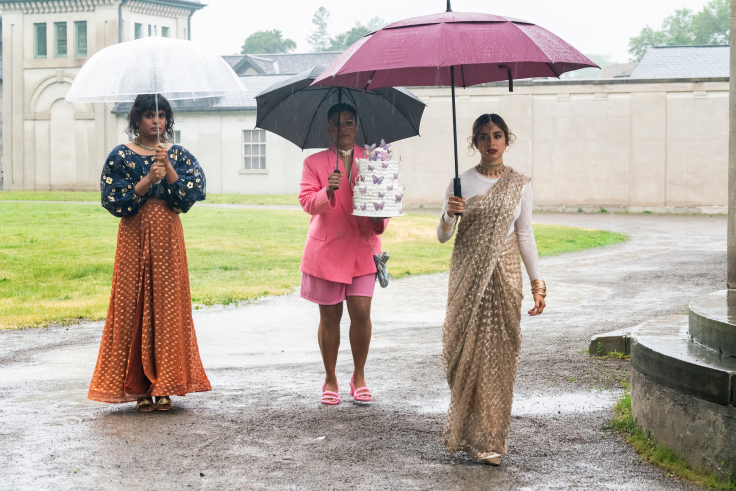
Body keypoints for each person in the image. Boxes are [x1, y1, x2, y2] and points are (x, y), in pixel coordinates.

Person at [88, 94, 211, 412]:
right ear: (137, 120)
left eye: (161, 116)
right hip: (134, 236)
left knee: (167, 307)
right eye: (149, 116)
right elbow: (112, 200)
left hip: (168, 236)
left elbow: (189, 196)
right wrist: (146, 180)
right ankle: (139, 387)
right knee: (134, 304)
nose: (156, 121)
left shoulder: (178, 154)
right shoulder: (120, 155)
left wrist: (167, 168)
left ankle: (166, 385)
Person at [437, 113, 546, 465]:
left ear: (507, 139)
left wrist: (536, 282)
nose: (491, 142)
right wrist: (450, 215)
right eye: (483, 136)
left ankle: (492, 441)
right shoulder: (461, 183)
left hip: (504, 279)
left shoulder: (520, 184)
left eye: (497, 135)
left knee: (498, 357)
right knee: (463, 356)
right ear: (475, 143)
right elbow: (443, 236)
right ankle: (470, 434)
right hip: (467, 279)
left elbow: (525, 235)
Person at [298, 103, 390, 405]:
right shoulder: (314, 162)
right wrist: (328, 191)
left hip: (363, 248)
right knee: (330, 316)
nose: (344, 128)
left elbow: (382, 211)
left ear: (357, 126)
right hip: (327, 249)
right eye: (337, 123)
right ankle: (330, 378)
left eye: (349, 122)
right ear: (329, 128)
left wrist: (378, 210)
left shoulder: (374, 160)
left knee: (362, 313)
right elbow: (306, 202)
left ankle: (359, 375)